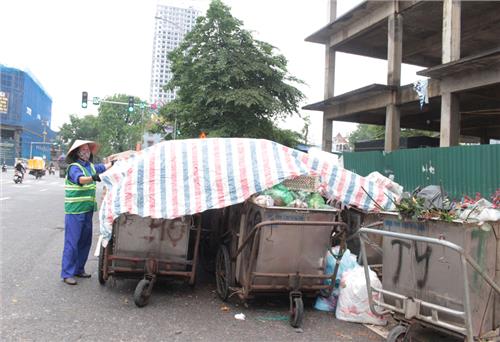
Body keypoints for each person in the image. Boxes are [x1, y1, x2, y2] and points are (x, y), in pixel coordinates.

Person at [60, 140, 114, 285]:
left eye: (87, 149)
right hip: (75, 211)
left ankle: (79, 269)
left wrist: (113, 163)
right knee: (72, 242)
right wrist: (93, 177)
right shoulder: (74, 167)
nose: (86, 151)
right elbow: (81, 180)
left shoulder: (90, 166)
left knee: (85, 242)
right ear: (77, 152)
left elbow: (103, 167)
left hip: (87, 210)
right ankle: (67, 273)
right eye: (83, 149)